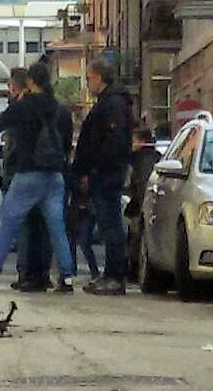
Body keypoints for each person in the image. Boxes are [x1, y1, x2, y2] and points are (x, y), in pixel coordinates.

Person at [0, 63, 76, 293]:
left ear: (31, 82)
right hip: (54, 175)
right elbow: (66, 142)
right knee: (57, 228)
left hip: (28, 174)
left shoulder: (24, 106)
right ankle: (67, 276)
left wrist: (19, 101)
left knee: (9, 224)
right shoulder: (59, 108)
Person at [72, 58, 133, 295]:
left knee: (111, 226)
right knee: (108, 226)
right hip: (103, 172)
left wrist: (95, 168)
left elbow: (113, 142)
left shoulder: (113, 104)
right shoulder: (108, 102)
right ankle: (110, 275)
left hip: (106, 174)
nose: (88, 84)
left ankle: (115, 277)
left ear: (98, 77)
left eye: (89, 78)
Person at [125, 127, 160, 277]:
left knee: (137, 237)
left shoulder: (142, 160)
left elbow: (142, 185)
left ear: (141, 142)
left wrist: (139, 205)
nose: (131, 144)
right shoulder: (151, 157)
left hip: (143, 206)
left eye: (133, 141)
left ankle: (134, 269)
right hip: (143, 204)